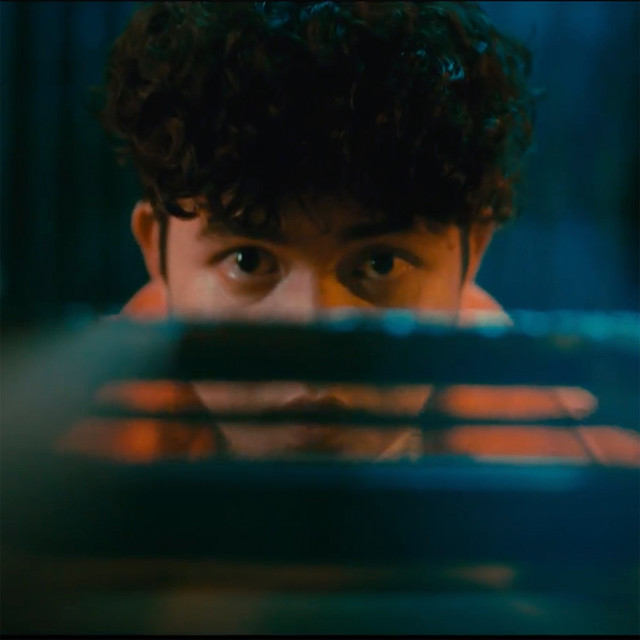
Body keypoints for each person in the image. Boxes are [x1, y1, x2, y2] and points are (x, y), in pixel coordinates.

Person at [60, 1, 638, 464]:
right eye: (248, 261)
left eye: (381, 263)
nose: (316, 344)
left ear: (474, 251)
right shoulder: (41, 488)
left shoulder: (605, 500)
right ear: (154, 250)